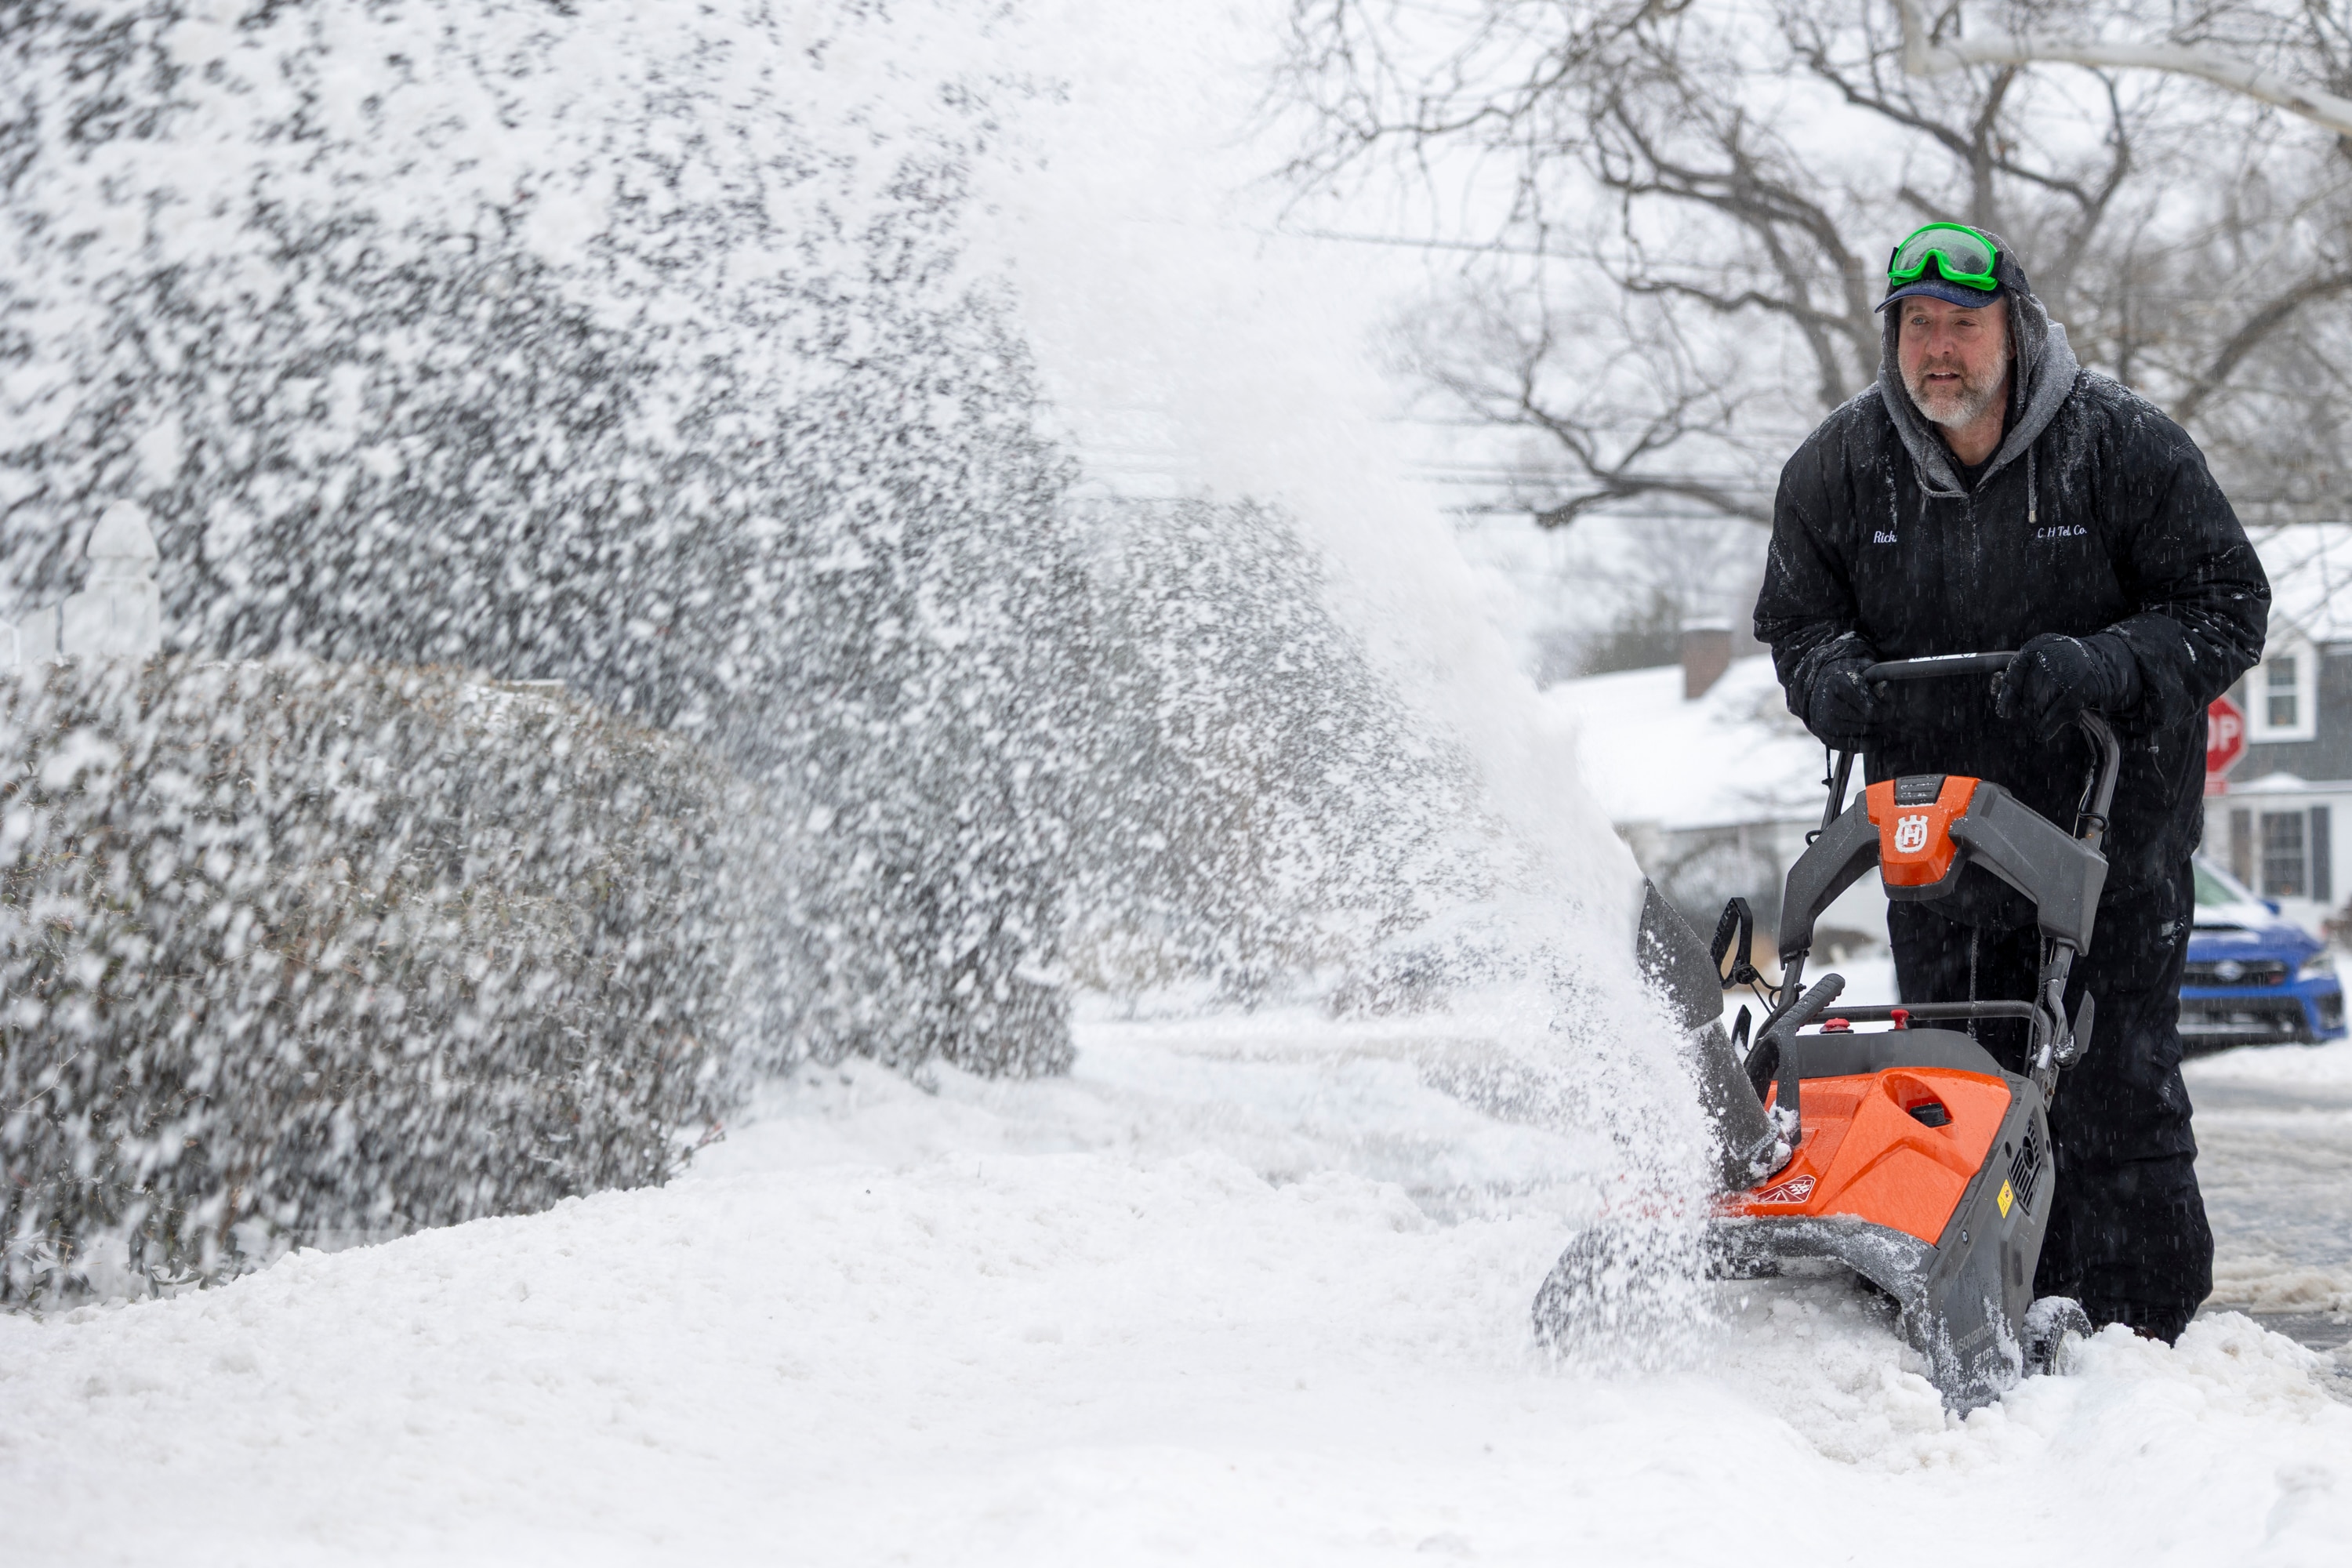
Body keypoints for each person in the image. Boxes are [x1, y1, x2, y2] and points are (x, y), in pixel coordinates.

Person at [1753, 223, 2270, 1341]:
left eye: (1963, 323)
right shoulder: (1840, 470)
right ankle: (1961, 1310)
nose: (1939, 347)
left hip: (2108, 842)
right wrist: (1827, 676)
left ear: (2016, 327)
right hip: (1931, 842)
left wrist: (2105, 663)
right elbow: (1798, 621)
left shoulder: (2122, 447)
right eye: (1917, 325)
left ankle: (2139, 1340)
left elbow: (2228, 604)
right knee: (1946, 1074)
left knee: (2111, 1078)